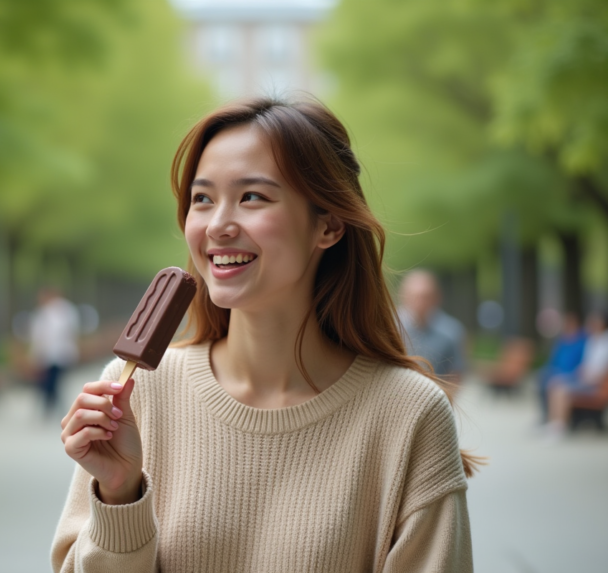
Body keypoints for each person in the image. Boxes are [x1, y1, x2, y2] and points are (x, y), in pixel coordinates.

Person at [52, 98, 477, 572]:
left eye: (252, 197)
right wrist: (118, 493)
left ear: (329, 225)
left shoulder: (409, 414)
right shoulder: (135, 395)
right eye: (202, 198)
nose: (217, 225)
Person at [398, 270, 467, 391]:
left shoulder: (451, 331)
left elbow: (456, 373)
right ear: (404, 297)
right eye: (415, 296)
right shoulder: (388, 329)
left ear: (436, 297)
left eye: (425, 297)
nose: (420, 303)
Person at [545, 311, 608, 437]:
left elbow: (603, 370)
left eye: (593, 322)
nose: (589, 325)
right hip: (586, 378)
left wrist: (592, 376)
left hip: (596, 383)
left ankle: (559, 427)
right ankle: (554, 424)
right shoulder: (592, 340)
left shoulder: (604, 342)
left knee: (561, 390)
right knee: (555, 384)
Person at [29, 287, 80, 417]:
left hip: (58, 354)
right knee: (51, 382)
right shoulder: (45, 312)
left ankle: (52, 408)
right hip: (51, 355)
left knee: (52, 382)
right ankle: (55, 407)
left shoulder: (61, 311)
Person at [537, 312, 586, 422]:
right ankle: (546, 415)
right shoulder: (562, 340)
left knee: (554, 384)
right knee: (542, 376)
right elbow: (553, 359)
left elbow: (582, 362)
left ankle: (556, 419)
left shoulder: (582, 340)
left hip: (571, 374)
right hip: (557, 371)